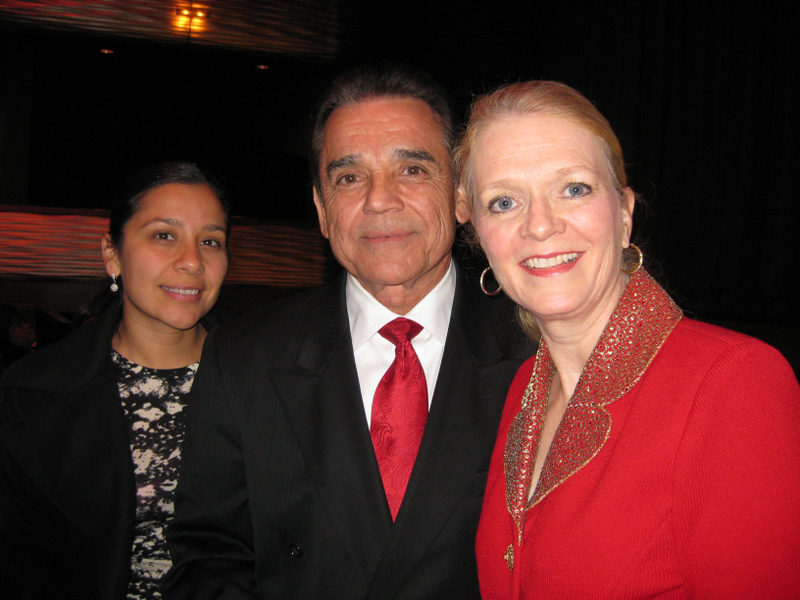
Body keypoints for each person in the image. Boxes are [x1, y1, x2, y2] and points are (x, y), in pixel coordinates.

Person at [163, 64, 534, 600]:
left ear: (460, 195)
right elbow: (209, 558)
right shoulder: (244, 356)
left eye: (412, 169)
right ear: (321, 209)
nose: (379, 200)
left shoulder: (536, 349)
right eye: (349, 178)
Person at [452, 80, 800, 599]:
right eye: (504, 202)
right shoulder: (524, 386)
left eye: (574, 188)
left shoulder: (734, 382)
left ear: (623, 214)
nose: (540, 226)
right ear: (480, 234)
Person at [0, 162, 230, 599]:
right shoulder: (34, 393)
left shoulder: (269, 376)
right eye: (164, 235)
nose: (192, 261)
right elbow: (19, 560)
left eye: (210, 241)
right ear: (113, 255)